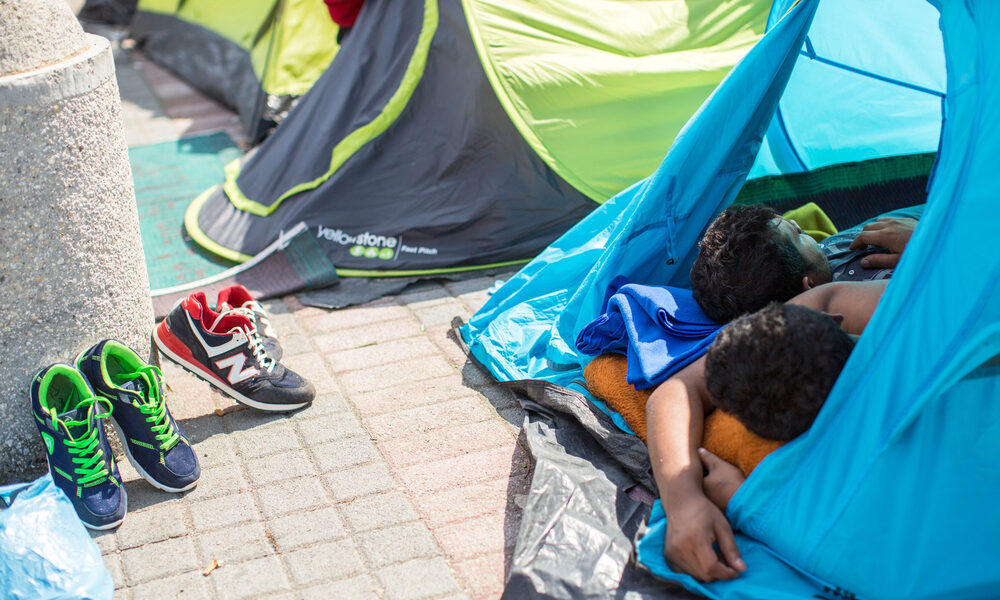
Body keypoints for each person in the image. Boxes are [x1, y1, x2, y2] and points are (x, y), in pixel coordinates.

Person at [645, 279, 889, 583]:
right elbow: (677, 391)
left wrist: (739, 499)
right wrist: (683, 500)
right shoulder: (841, 308)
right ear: (833, 321)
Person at [689, 203, 920, 324]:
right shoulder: (864, 299)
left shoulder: (819, 259)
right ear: (808, 285)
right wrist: (926, 239)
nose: (796, 222)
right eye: (799, 234)